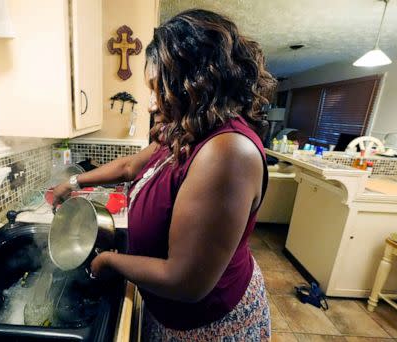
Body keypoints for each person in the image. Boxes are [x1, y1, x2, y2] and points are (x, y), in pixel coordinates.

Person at [53, 9, 275, 341]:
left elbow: (185, 281)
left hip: (209, 326)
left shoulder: (226, 152)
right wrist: (74, 182)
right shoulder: (187, 128)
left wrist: (111, 262)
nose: (151, 104)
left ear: (195, 83)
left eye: (159, 88)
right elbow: (130, 167)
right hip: (170, 314)